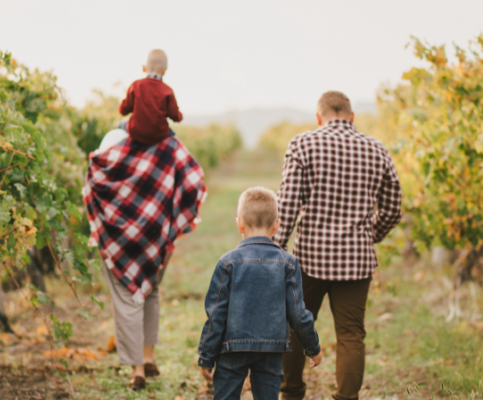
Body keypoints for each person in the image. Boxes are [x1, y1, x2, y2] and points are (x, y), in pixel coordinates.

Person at [274, 91, 402, 400]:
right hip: (356, 262)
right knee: (351, 335)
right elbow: (394, 208)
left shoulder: (303, 144)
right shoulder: (377, 149)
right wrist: (369, 235)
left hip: (310, 258)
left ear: (319, 117)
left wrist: (275, 250)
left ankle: (291, 392)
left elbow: (288, 205)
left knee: (294, 326)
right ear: (352, 116)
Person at [83, 129, 207, 391]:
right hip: (156, 239)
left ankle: (137, 370)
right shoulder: (160, 152)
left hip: (119, 242)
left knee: (127, 300)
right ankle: (149, 358)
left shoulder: (110, 143)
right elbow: (185, 184)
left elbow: (95, 184)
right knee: (150, 290)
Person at [197, 187, 322, 400]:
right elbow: (298, 314)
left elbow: (216, 314)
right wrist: (313, 347)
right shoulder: (288, 263)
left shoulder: (228, 263)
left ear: (240, 224)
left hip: (231, 349)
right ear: (277, 226)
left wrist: (206, 356)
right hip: (271, 351)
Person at [118, 49, 183, 145]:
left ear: (143, 68)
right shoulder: (168, 91)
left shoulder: (136, 85)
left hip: (136, 133)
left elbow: (123, 110)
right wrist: (180, 116)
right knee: (172, 134)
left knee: (121, 125)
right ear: (164, 70)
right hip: (159, 135)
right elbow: (175, 116)